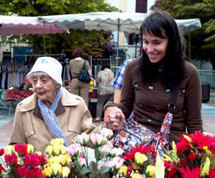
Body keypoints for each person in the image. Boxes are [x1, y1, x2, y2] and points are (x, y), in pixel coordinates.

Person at [104, 10, 203, 142]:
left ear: (171, 42)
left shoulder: (189, 73)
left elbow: (194, 123)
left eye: (156, 42)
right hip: (137, 145)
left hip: (171, 151)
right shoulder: (133, 68)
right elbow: (125, 106)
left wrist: (198, 156)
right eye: (146, 41)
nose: (149, 49)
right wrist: (111, 110)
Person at [10, 56, 99, 153]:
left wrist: (107, 128)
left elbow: (91, 138)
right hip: (37, 167)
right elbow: (16, 147)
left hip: (70, 167)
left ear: (57, 84)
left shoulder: (77, 105)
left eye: (44, 80)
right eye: (35, 81)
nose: (38, 86)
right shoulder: (23, 108)